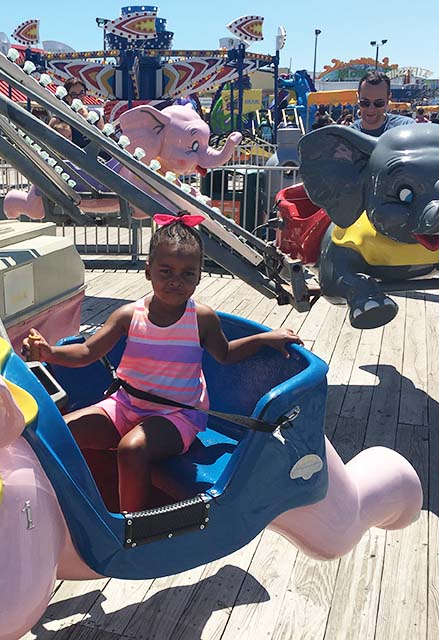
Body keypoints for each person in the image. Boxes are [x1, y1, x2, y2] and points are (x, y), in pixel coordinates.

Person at [22, 214, 303, 512]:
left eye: (187, 274)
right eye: (166, 271)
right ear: (148, 271)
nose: (175, 281)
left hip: (176, 416)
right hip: (125, 405)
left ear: (199, 276)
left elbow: (226, 354)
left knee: (132, 450)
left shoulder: (201, 318)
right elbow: (87, 352)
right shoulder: (128, 316)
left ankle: (131, 527)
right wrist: (49, 353)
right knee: (59, 434)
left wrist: (264, 338)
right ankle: (63, 511)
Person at [350, 71, 414, 137]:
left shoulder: (405, 127)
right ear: (358, 98)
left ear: (388, 99)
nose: (371, 108)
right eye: (365, 103)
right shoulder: (348, 135)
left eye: (378, 103)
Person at [61, 78, 104, 149]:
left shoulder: (96, 115)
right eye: (74, 94)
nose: (79, 97)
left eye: (81, 93)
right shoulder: (60, 116)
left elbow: (103, 143)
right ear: (66, 97)